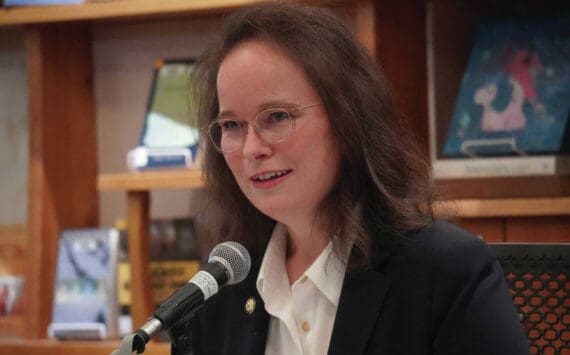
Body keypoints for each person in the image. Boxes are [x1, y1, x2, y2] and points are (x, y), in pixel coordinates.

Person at [170, 2, 530, 354]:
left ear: (348, 118)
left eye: (277, 116)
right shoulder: (220, 288)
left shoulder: (446, 272)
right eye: (232, 125)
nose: (251, 149)